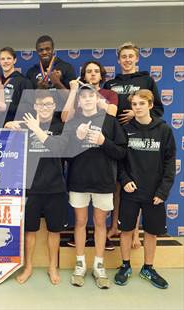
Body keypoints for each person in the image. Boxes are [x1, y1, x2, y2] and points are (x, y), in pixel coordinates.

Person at [104, 42, 164, 248]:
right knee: (117, 183)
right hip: (116, 137)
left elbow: (158, 110)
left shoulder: (146, 79)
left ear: (137, 58)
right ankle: (115, 226)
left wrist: (134, 113)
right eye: (124, 57)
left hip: (139, 136)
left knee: (135, 182)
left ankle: (134, 232)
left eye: (131, 56)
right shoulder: (111, 84)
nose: (127, 60)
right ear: (119, 60)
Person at [5, 91, 68, 285]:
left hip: (55, 187)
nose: (45, 108)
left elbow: (58, 149)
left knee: (54, 230)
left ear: (54, 106)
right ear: (35, 107)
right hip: (30, 187)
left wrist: (37, 128)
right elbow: (5, 138)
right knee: (30, 230)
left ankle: (52, 267)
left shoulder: (61, 126)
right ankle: (29, 266)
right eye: (41, 105)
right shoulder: (26, 124)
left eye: (49, 105)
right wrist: (8, 125)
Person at [115, 90, 176, 289]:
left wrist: (163, 192)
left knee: (151, 232)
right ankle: (125, 266)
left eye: (142, 103)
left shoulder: (164, 130)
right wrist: (124, 180)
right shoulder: (125, 129)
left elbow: (169, 163)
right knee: (126, 230)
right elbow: (120, 161)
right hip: (131, 191)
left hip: (154, 194)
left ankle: (148, 268)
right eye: (134, 104)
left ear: (150, 105)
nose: (138, 107)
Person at [67, 86, 126, 289]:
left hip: (103, 182)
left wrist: (103, 141)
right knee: (80, 221)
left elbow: (121, 152)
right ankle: (80, 264)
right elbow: (64, 154)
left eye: (91, 95)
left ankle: (99, 265)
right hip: (79, 181)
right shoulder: (73, 122)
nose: (87, 99)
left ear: (97, 98)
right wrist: (78, 139)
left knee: (100, 223)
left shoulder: (110, 121)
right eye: (83, 96)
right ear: (79, 101)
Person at [62, 61, 119, 251]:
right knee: (80, 220)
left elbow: (111, 114)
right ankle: (81, 256)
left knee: (100, 221)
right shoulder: (77, 107)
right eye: (89, 71)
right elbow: (65, 120)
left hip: (103, 173)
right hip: (80, 174)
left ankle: (99, 261)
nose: (93, 74)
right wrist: (73, 92)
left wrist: (98, 100)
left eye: (96, 71)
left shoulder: (108, 102)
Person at [0, 47, 33, 125]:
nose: (5, 61)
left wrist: (7, 107)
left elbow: (29, 107)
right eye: (2, 59)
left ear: (14, 60)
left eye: (9, 58)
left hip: (16, 127)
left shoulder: (24, 81)